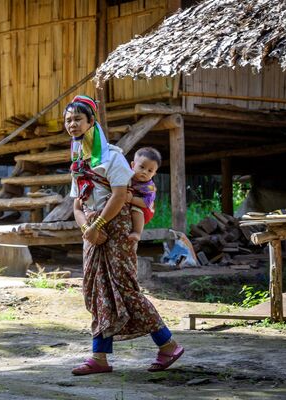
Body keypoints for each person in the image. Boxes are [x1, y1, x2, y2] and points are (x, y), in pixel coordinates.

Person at [65, 95, 184, 375]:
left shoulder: (112, 157)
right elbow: (77, 204)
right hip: (92, 232)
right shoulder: (78, 161)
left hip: (115, 229)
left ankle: (167, 345)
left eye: (77, 119)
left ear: (91, 122)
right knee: (97, 291)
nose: (72, 124)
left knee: (124, 288)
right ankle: (100, 358)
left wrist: (99, 226)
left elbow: (120, 195)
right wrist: (87, 229)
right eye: (68, 120)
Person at [127, 147, 161, 242]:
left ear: (154, 174)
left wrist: (131, 199)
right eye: (142, 167)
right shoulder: (126, 173)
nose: (145, 172)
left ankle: (137, 232)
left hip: (145, 208)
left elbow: (146, 202)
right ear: (133, 165)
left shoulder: (149, 188)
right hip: (133, 196)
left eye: (150, 171)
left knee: (136, 210)